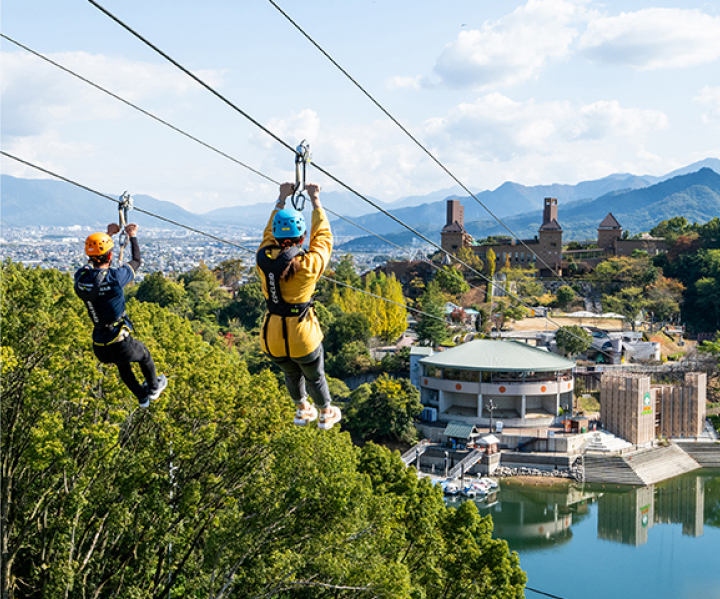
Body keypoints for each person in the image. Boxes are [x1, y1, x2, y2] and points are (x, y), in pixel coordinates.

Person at [256, 182, 341, 430]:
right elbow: (323, 239)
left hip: (271, 335)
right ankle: (325, 412)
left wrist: (281, 199)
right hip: (302, 334)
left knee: (291, 374)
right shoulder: (308, 264)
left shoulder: (263, 258)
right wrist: (315, 200)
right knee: (315, 376)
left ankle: (302, 409)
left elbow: (269, 235)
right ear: (302, 237)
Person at [74, 223, 167, 408]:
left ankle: (142, 398)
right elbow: (137, 261)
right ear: (110, 255)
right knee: (144, 355)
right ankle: (154, 388)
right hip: (119, 341)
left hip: (100, 345)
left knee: (123, 366)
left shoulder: (80, 279)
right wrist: (132, 235)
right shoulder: (115, 278)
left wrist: (108, 236)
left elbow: (90, 264)